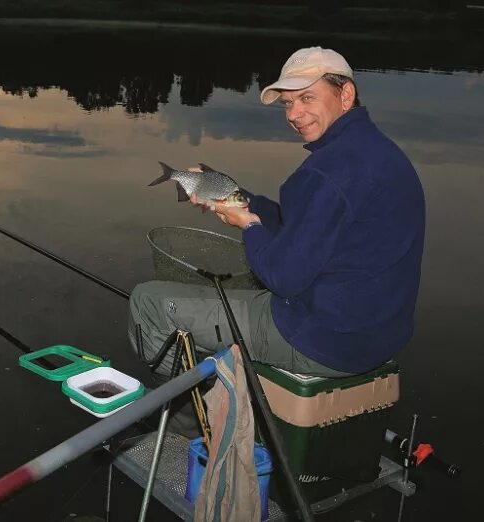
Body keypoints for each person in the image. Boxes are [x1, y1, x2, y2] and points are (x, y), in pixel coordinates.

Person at [129, 46, 425, 378]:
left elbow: (283, 278)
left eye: (307, 98)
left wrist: (250, 225)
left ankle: (200, 418)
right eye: (288, 103)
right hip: (377, 334)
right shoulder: (380, 152)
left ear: (346, 95)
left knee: (149, 302)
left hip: (323, 339)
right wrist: (239, 198)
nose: (293, 115)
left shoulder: (327, 172)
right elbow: (309, 226)